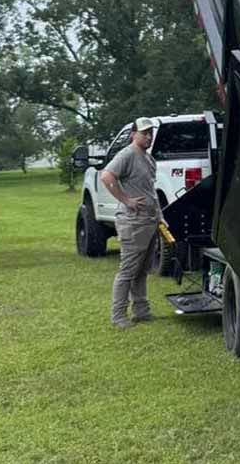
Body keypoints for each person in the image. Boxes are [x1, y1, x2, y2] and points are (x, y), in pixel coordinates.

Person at [100, 117, 161, 329]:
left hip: (149, 221)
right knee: (127, 271)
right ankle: (118, 316)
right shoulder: (127, 154)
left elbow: (150, 191)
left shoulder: (148, 158)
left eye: (150, 132)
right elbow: (106, 176)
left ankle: (141, 312)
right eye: (144, 133)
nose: (148, 136)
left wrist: (160, 216)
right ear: (133, 134)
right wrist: (126, 200)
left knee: (142, 270)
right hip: (133, 222)